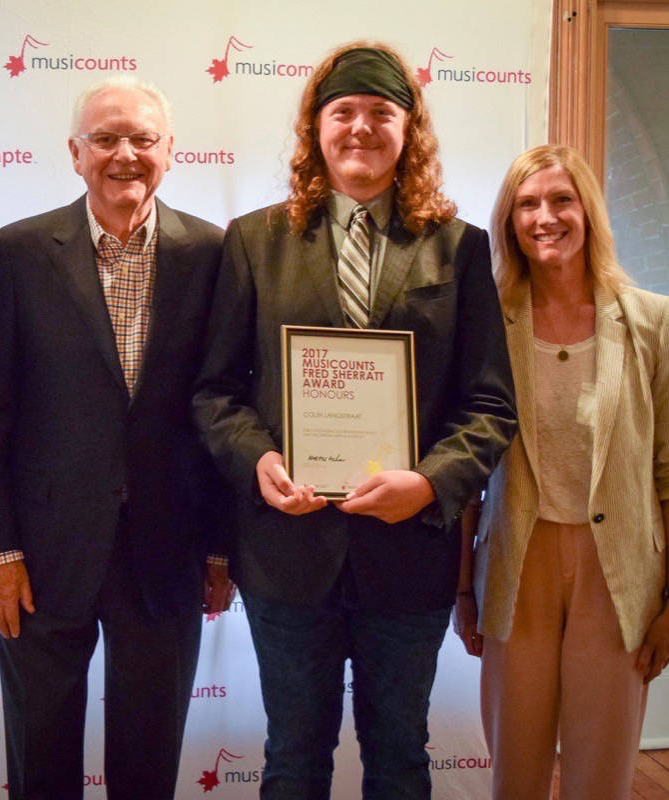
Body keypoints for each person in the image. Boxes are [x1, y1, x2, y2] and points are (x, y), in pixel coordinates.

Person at [192, 42, 517, 799]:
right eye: (343, 112)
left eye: (381, 112)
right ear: (317, 128)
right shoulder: (254, 241)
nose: (361, 129)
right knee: (292, 761)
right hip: (286, 554)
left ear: (410, 130)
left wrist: (431, 484)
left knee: (400, 759)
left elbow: (490, 403)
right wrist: (258, 464)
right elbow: (215, 392)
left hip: (408, 558)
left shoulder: (458, 248)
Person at [0, 74, 232, 800]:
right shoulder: (18, 252)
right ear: (74, 153)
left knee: (149, 763)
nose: (125, 154)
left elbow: (223, 411)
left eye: (143, 139)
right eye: (106, 139)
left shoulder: (213, 255)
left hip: (168, 548)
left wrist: (219, 546)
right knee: (39, 756)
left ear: (170, 151)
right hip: (41, 552)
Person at [453, 144, 669, 799]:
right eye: (526, 204)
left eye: (560, 200)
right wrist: (461, 591)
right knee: (516, 768)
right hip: (514, 565)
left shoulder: (655, 322)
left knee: (602, 771)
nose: (545, 217)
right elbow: (464, 471)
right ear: (508, 221)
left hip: (618, 573)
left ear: (588, 212)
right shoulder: (484, 325)